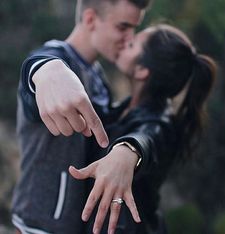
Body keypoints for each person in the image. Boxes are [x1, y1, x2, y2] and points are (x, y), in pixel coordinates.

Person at [11, 0, 151, 233]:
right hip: (37, 226)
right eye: (123, 27)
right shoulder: (56, 58)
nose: (129, 38)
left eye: (133, 29)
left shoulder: (97, 75)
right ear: (90, 20)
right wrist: (44, 70)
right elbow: (38, 69)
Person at [69, 24, 217, 234]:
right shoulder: (121, 109)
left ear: (141, 71)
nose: (123, 41)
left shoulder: (161, 124)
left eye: (131, 44)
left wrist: (128, 151)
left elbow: (147, 138)